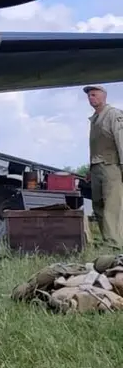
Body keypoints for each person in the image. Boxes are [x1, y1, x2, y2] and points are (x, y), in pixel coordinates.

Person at [84, 85, 123, 248]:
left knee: (112, 205)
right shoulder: (94, 119)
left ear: (104, 96)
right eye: (89, 96)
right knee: (97, 205)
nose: (91, 98)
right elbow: (95, 146)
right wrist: (89, 168)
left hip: (111, 165)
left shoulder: (113, 114)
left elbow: (121, 141)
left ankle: (114, 242)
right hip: (96, 166)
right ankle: (108, 239)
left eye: (94, 95)